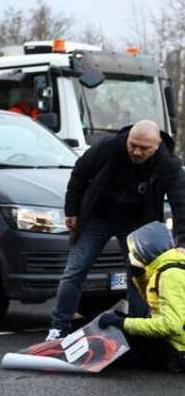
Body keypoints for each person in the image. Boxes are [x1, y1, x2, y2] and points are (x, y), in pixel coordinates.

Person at [47, 120, 185, 342]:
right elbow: (79, 174)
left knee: (138, 277)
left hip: (136, 223)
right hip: (97, 217)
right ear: (128, 138)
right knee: (75, 269)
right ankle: (58, 328)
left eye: (144, 148)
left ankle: (134, 332)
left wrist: (182, 243)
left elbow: (181, 203)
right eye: (133, 145)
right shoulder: (109, 147)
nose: (136, 151)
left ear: (157, 145)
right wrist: (71, 210)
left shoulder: (167, 163)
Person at [97, 221, 185, 372]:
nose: (130, 255)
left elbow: (171, 325)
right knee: (118, 321)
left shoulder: (170, 275)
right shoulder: (170, 267)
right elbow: (157, 303)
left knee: (116, 343)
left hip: (178, 353)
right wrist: (140, 277)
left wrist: (123, 323)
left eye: (133, 252)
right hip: (178, 344)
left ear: (144, 251)